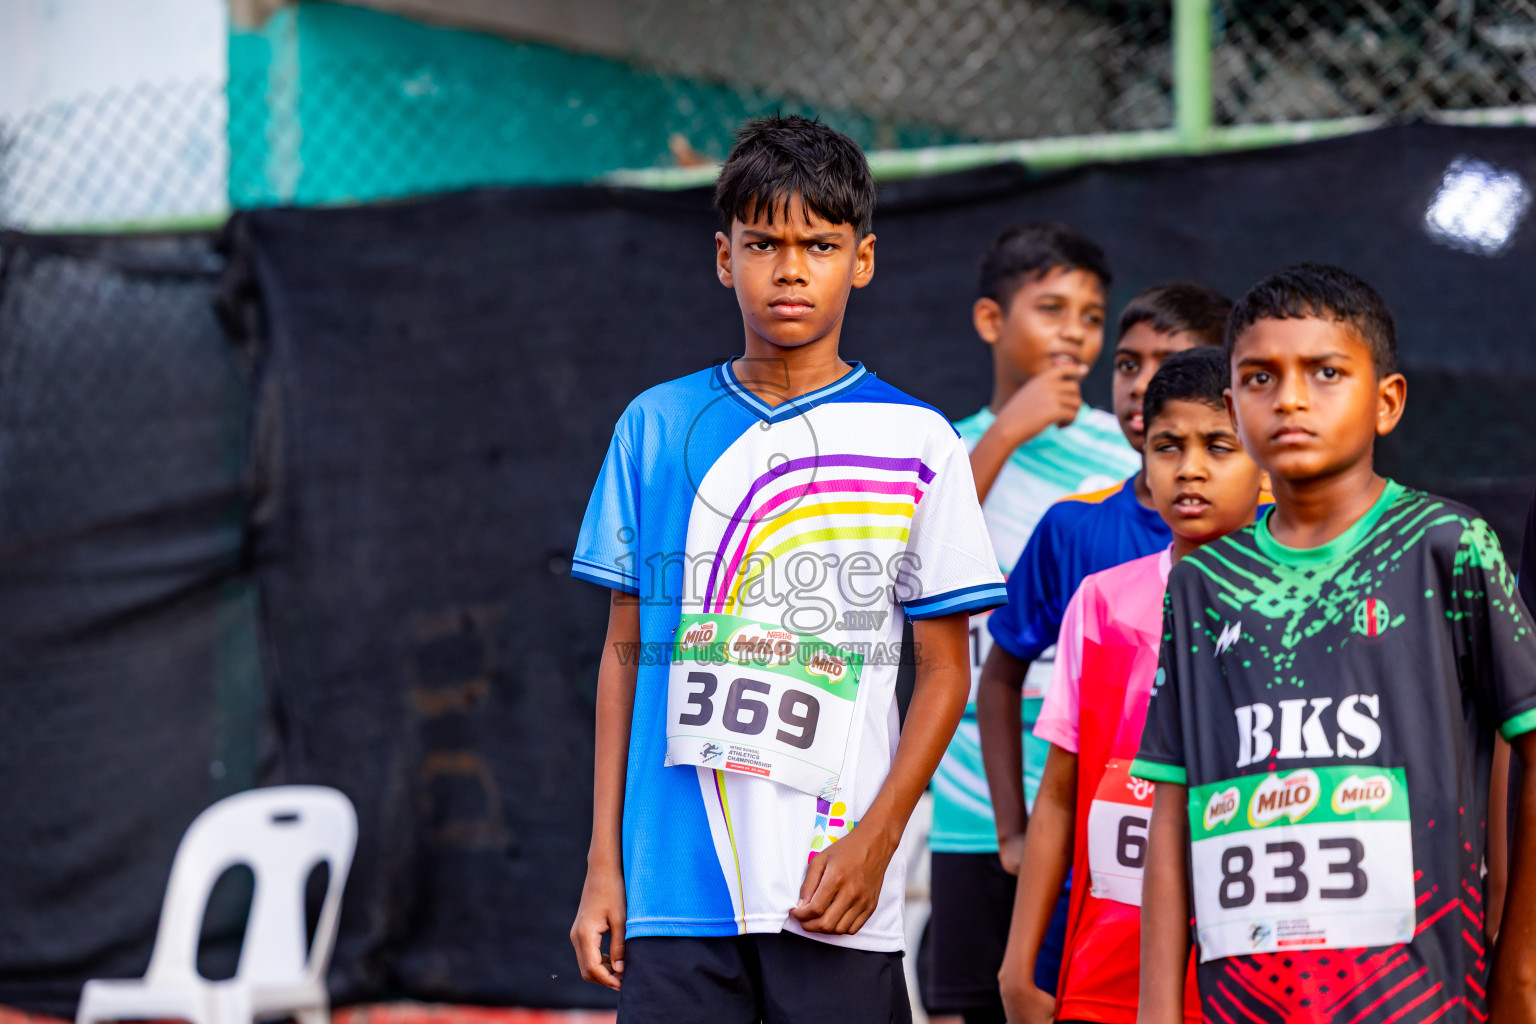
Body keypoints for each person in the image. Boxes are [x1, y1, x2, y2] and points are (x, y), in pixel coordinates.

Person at [567, 114, 1007, 1024]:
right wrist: (604, 863)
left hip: (832, 885)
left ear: (863, 260)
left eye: (820, 244)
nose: (791, 268)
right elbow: (621, 658)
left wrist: (879, 840)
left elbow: (945, 671)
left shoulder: (918, 442)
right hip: (673, 892)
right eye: (763, 243)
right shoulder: (654, 426)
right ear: (723, 257)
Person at [1133, 264, 1536, 1023]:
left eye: (1325, 373)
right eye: (1260, 377)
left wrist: (1520, 973)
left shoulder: (1447, 546)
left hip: (1422, 1004)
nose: (1289, 398)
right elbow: (1171, 804)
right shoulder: (1201, 585)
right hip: (1246, 1004)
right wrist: (1158, 1011)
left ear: (1387, 401)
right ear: (1234, 408)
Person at [973, 283, 1233, 987]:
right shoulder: (1076, 527)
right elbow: (999, 674)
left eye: (1169, 365)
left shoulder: (1282, 537)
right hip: (1093, 894)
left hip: (1232, 898)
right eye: (1127, 364)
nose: (1143, 384)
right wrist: (1012, 830)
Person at [926, 223, 1139, 1024]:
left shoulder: (1130, 457)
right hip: (969, 803)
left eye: (1092, 317)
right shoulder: (944, 449)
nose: (1075, 333)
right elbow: (917, 570)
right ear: (991, 320)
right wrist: (1009, 429)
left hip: (1096, 801)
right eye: (1051, 309)